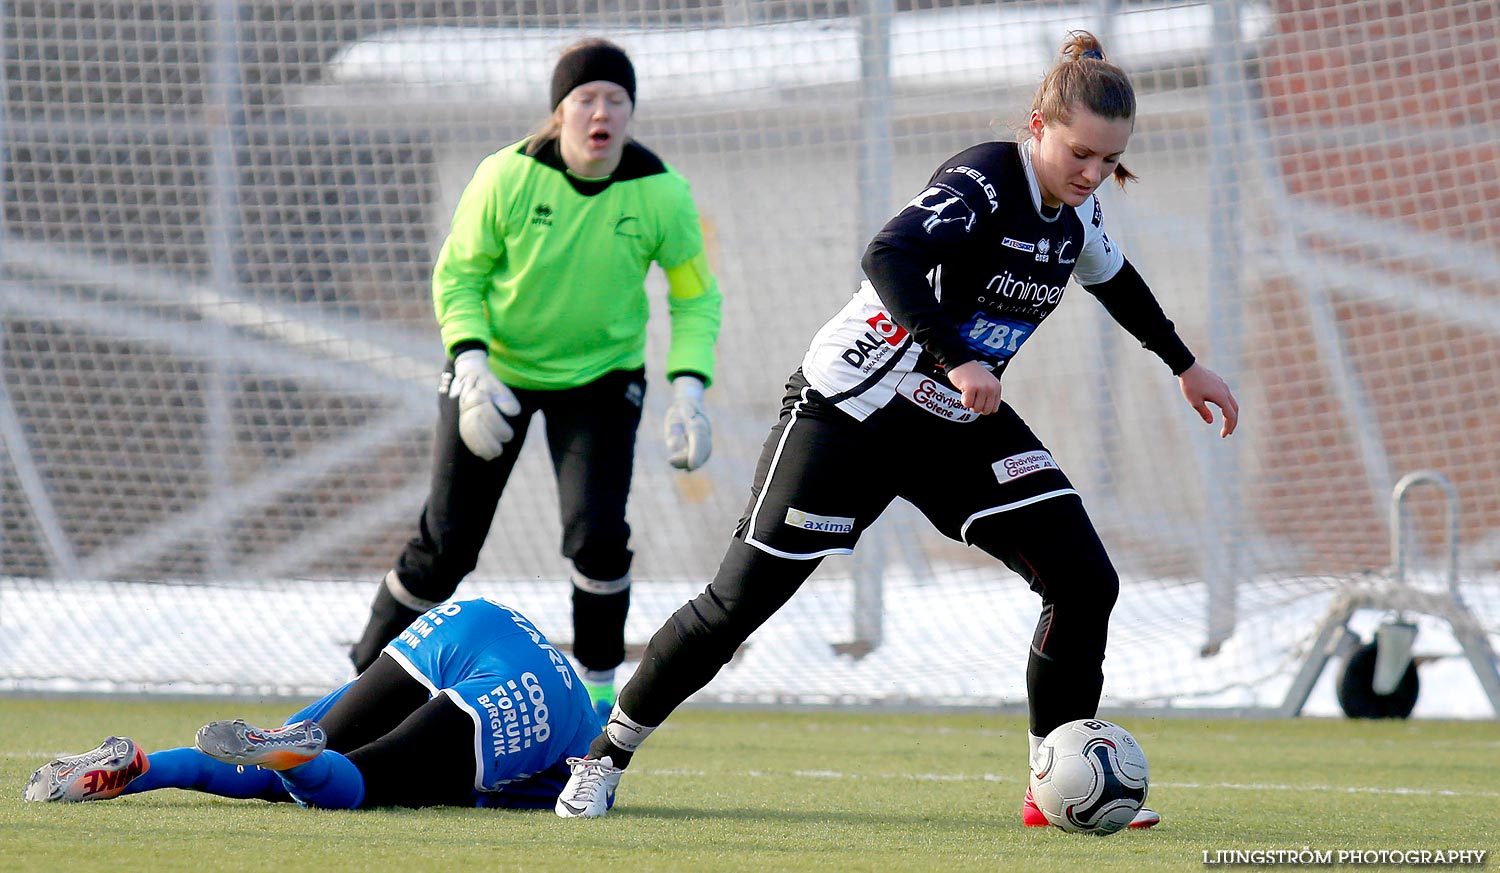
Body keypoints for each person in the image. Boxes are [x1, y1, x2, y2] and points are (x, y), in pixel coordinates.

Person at [552, 31, 1239, 827]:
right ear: (1037, 125)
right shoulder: (984, 180)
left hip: (955, 422)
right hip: (851, 412)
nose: (1092, 176)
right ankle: (604, 758)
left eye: (1108, 162)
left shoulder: (1076, 215)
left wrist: (1185, 364)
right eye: (1080, 154)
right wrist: (956, 357)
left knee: (1085, 581)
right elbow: (890, 254)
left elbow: (1117, 281)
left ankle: (1055, 786)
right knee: (737, 603)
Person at [347, 37, 724, 724]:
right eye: (585, 98)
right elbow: (459, 274)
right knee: (446, 545)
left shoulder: (662, 193)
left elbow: (695, 296)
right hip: (498, 372)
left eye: (616, 99)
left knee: (598, 536)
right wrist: (471, 365)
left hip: (602, 378)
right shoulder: (507, 177)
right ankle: (358, 685)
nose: (600, 111)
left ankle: (598, 700)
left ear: (630, 112)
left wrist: (690, 387)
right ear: (559, 112)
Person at [24, 598, 603, 810]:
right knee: (357, 781)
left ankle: (142, 768)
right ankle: (297, 757)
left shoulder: (588, 726)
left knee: (299, 749)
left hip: (473, 618)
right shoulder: (578, 751)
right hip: (533, 695)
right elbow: (587, 790)